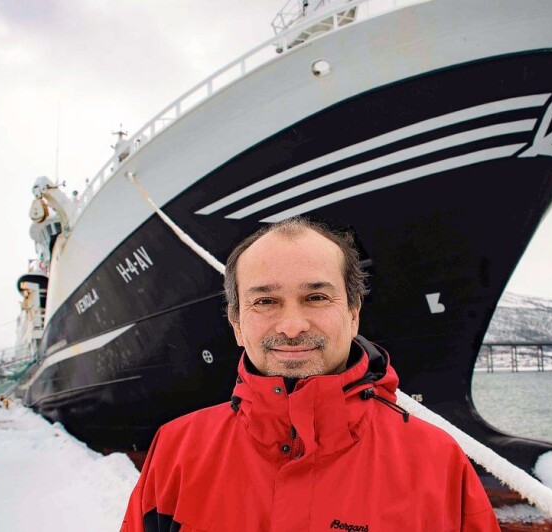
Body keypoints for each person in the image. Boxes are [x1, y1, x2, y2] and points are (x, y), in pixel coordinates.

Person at [122, 217, 500, 531]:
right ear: (236, 324)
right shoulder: (177, 452)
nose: (291, 325)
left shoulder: (438, 462)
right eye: (266, 301)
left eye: (316, 297)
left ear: (353, 314)